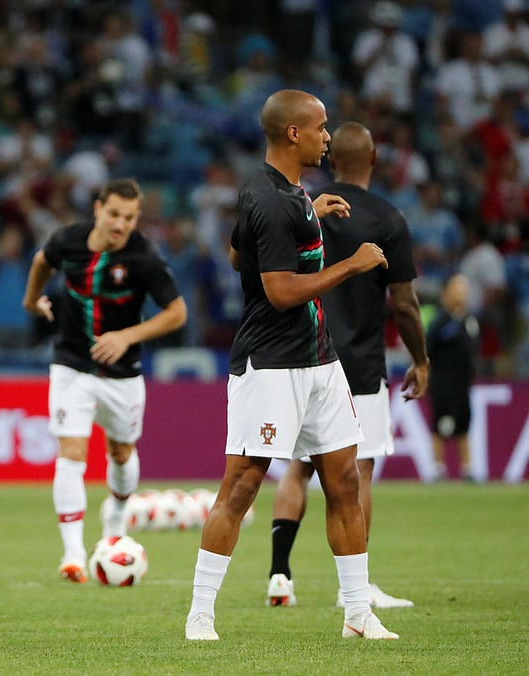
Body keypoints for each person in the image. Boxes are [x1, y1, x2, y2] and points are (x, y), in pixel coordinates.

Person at [184, 89, 399, 642]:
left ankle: (357, 613)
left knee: (344, 480)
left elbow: (238, 252)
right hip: (272, 363)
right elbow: (279, 291)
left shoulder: (284, 191)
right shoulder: (273, 199)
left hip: (320, 358)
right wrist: (352, 264)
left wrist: (311, 214)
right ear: (294, 134)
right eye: (321, 127)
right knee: (242, 484)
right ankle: (200, 614)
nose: (329, 136)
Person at [265, 122, 430, 611]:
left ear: (331, 157)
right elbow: (404, 303)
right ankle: (353, 589)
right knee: (357, 471)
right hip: (358, 363)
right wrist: (420, 359)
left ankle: (279, 574)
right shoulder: (387, 218)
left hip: (301, 353)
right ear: (375, 158)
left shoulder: (302, 207)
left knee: (297, 470)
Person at [22, 177, 187, 583]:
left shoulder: (144, 257)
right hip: (71, 364)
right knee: (72, 452)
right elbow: (42, 260)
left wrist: (127, 336)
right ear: (98, 209)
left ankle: (115, 516)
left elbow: (177, 312)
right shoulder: (68, 241)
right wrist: (31, 300)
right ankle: (74, 553)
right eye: (115, 214)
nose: (121, 224)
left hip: (123, 374)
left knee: (121, 454)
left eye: (130, 217)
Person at [426, 273, 479, 481]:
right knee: (440, 426)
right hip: (442, 383)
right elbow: (428, 348)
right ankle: (438, 469)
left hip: (463, 384)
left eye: (465, 288)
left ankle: (467, 469)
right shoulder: (439, 321)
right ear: (447, 292)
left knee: (464, 425)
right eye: (459, 287)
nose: (463, 292)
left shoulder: (470, 320)